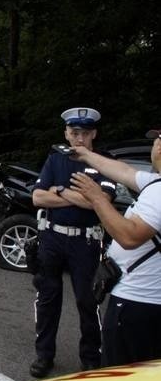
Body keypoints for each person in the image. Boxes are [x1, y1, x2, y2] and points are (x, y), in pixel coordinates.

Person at [29, 107, 117, 378]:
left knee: (87, 301)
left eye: (85, 133)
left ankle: (90, 358)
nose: (79, 138)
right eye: (74, 132)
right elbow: (38, 199)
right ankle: (44, 355)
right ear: (66, 133)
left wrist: (61, 190)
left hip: (85, 243)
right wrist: (83, 197)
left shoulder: (104, 162)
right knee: (47, 298)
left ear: (94, 134)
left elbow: (102, 202)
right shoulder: (55, 159)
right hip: (52, 238)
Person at [69, 129, 161, 366]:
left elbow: (129, 237)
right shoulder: (155, 182)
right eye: (157, 138)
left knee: (121, 376)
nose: (157, 143)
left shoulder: (159, 192)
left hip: (138, 306)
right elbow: (125, 172)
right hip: (147, 302)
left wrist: (96, 197)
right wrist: (86, 155)